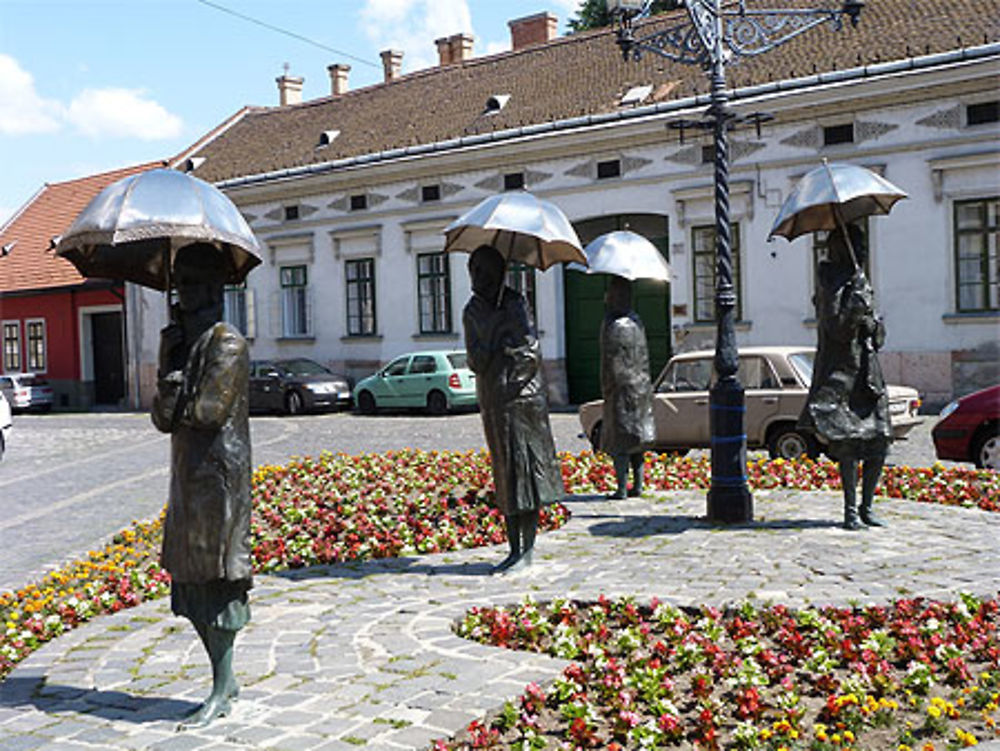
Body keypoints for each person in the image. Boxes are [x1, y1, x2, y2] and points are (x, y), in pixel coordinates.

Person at [152, 242, 252, 726]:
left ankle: (221, 684)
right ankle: (224, 678)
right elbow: (163, 419)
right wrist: (168, 366)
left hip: (219, 483)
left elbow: (207, 413)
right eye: (180, 283)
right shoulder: (184, 345)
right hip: (188, 480)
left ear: (214, 288)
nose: (183, 292)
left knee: (217, 584)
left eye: (192, 283)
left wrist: (177, 375)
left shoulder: (226, 343)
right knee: (190, 585)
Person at [463, 245, 563, 573]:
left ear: (496, 273)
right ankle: (513, 549)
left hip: (522, 401)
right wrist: (493, 339)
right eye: (472, 270)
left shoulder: (515, 303)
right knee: (505, 474)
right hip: (492, 400)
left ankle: (528, 551)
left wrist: (511, 364)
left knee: (526, 474)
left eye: (482, 270)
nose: (476, 277)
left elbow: (529, 353)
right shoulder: (473, 311)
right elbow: (476, 360)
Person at [799, 223, 890, 530]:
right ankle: (850, 511)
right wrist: (856, 304)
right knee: (850, 443)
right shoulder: (830, 282)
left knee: (879, 441)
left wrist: (873, 323)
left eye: (864, 246)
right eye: (857, 245)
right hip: (841, 374)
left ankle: (867, 507)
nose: (863, 251)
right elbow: (837, 328)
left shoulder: (860, 280)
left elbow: (876, 336)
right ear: (841, 248)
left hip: (868, 373)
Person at [600, 275, 655, 499]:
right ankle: (638, 486)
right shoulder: (637, 320)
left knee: (620, 442)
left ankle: (622, 488)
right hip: (641, 387)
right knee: (637, 441)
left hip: (620, 390)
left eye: (611, 293)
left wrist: (607, 387)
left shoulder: (613, 323)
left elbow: (610, 362)